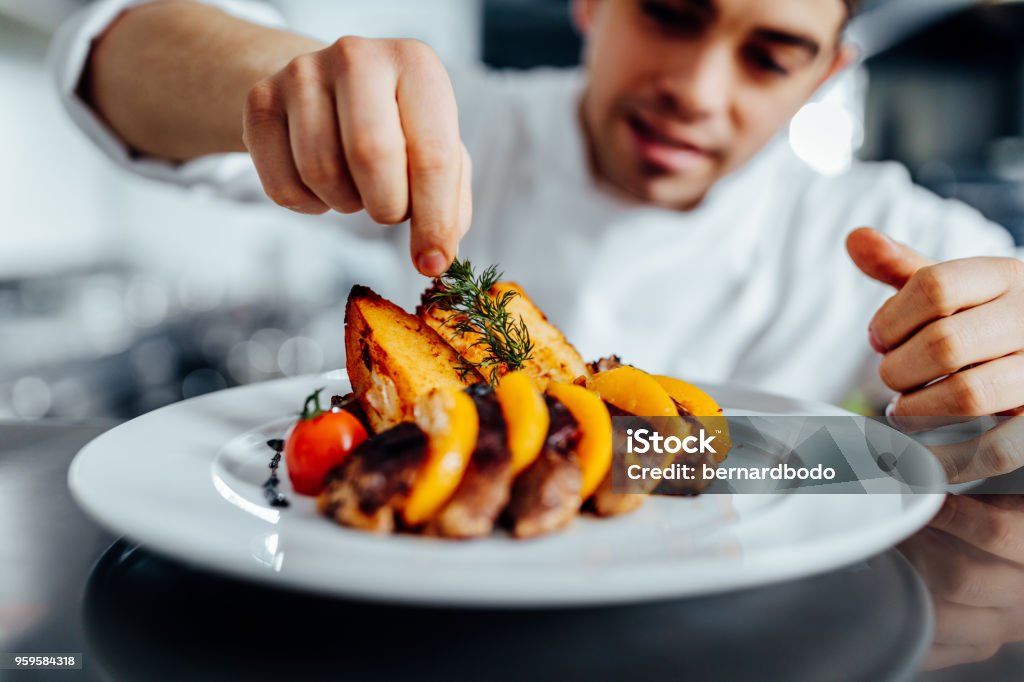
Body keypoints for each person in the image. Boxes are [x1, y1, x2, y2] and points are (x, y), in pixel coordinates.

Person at [51, 0, 1024, 479]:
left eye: (769, 55)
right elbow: (107, 61)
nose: (695, 86)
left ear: (825, 76)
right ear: (593, 4)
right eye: (670, 13)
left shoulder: (903, 232)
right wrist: (277, 77)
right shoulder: (464, 119)